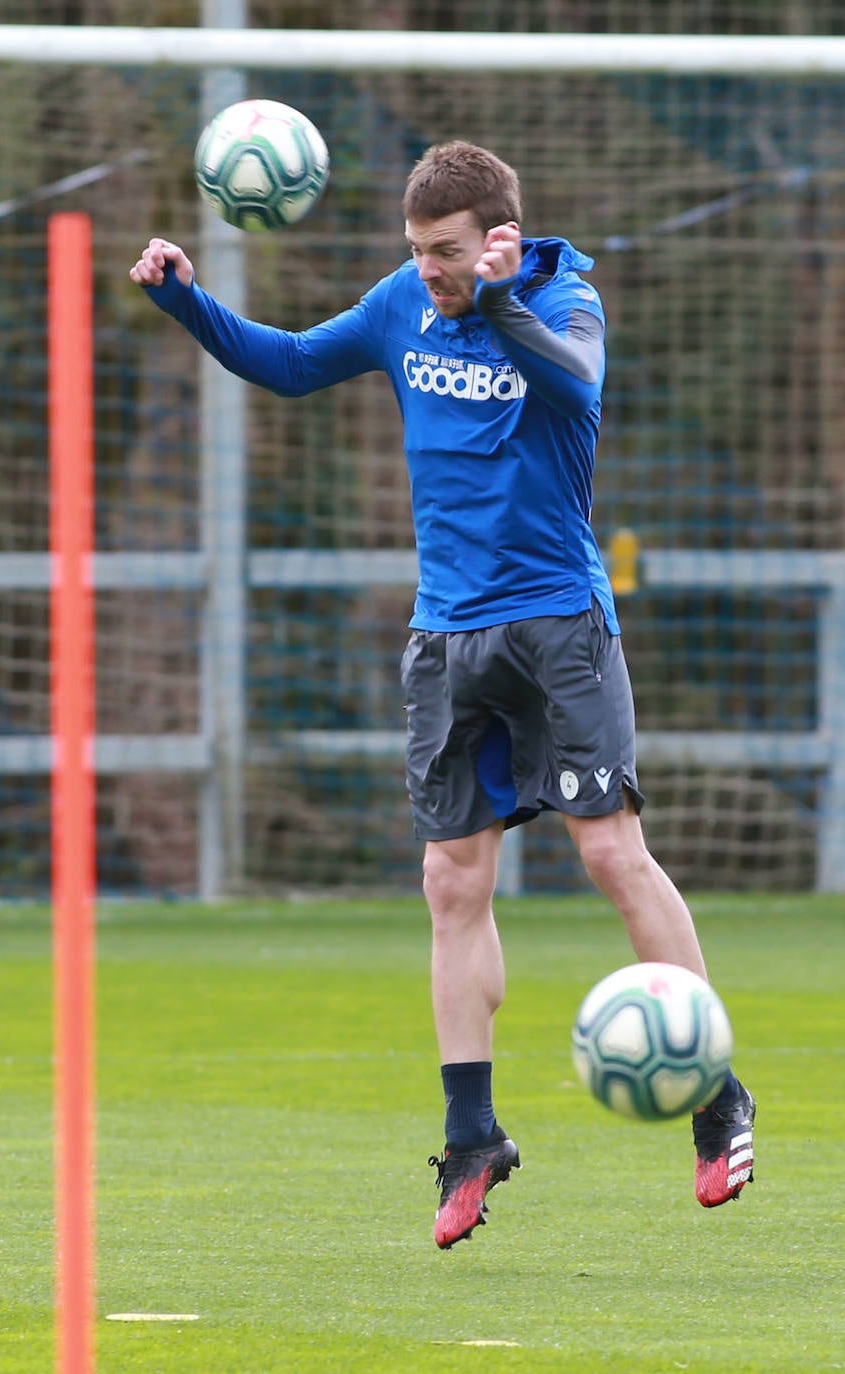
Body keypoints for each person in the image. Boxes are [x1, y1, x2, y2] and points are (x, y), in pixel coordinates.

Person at [130, 140, 755, 1250]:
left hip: (559, 624)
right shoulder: (399, 303)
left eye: (448, 253)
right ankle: (472, 1136)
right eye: (417, 252)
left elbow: (576, 380)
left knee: (611, 853)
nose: (429, 271)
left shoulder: (564, 301)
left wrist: (504, 301)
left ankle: (715, 1096)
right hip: (445, 636)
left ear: (498, 235)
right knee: (448, 880)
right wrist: (190, 305)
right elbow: (288, 363)